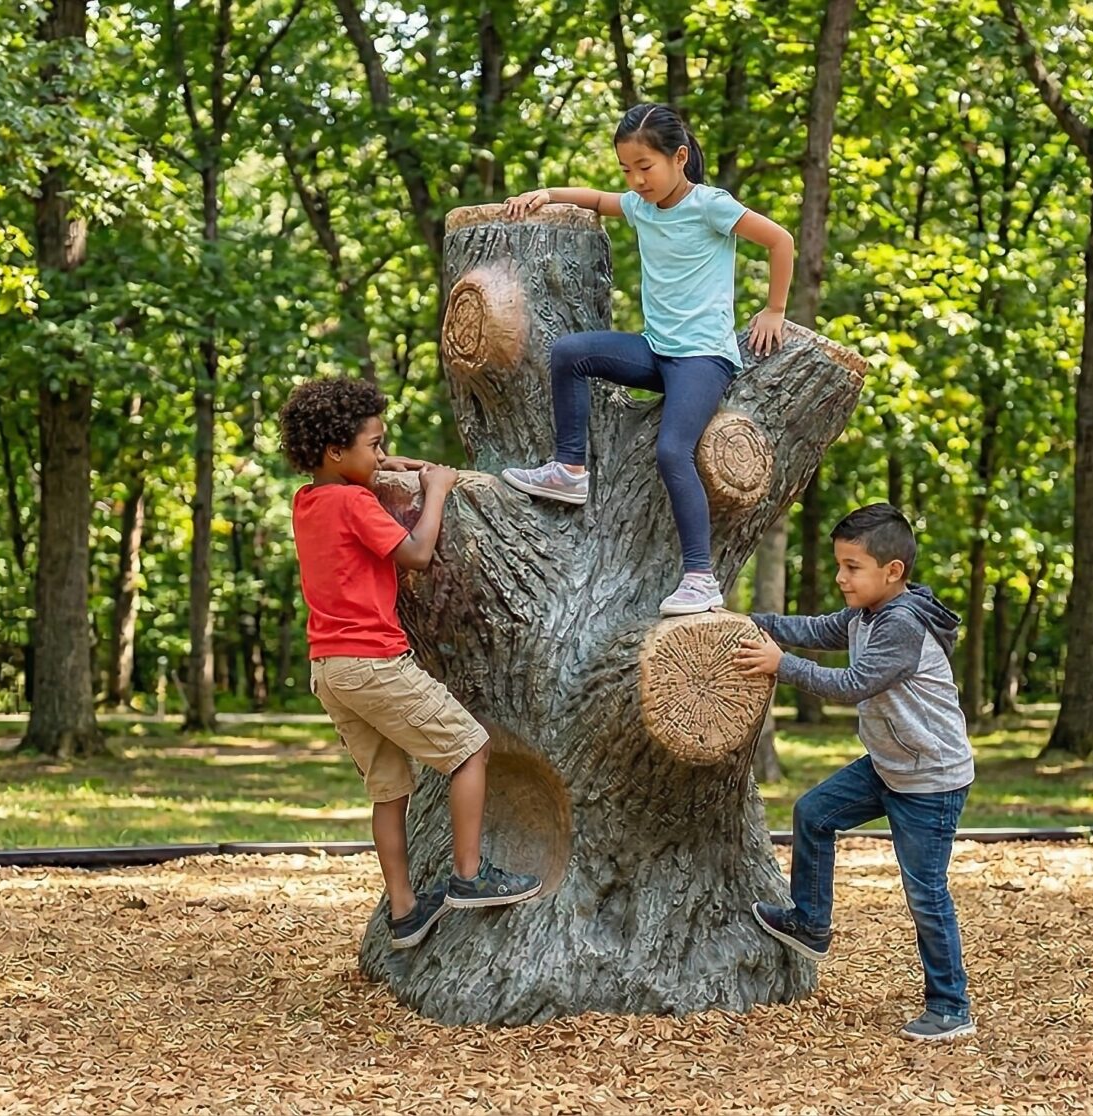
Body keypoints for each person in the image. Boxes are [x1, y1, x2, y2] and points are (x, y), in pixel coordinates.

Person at [498, 102, 796, 617]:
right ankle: (570, 469)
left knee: (671, 450)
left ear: (679, 157)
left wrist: (774, 309)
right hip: (657, 352)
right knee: (570, 353)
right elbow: (595, 199)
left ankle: (700, 578)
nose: (636, 180)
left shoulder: (710, 205)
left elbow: (780, 240)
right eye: (627, 170)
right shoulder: (640, 207)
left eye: (646, 167)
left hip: (702, 359)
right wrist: (546, 194)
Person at [279, 377, 540, 949]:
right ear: (335, 452)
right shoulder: (353, 501)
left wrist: (381, 461)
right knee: (470, 749)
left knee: (389, 791)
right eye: (375, 444)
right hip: (374, 662)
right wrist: (438, 490)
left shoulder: (310, 500)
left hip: (329, 669)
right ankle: (469, 878)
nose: (382, 453)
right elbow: (417, 555)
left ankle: (404, 911)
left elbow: (365, 471)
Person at [731, 503, 978, 1042]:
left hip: (930, 781)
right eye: (840, 565)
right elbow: (817, 628)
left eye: (852, 567)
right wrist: (751, 624)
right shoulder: (865, 614)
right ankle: (811, 924)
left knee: (926, 894)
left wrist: (782, 666)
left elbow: (853, 684)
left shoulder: (902, 624)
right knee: (814, 814)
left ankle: (951, 1006)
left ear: (893, 571)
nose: (841, 577)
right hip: (891, 766)